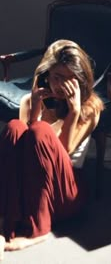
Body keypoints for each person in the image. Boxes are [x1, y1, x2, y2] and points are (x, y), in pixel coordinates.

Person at [0, 40, 104, 258]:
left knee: (40, 131)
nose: (60, 85)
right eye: (57, 77)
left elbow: (63, 151)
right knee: (15, 127)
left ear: (80, 80)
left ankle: (39, 231)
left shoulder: (90, 108)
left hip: (65, 191)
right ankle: (7, 219)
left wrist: (73, 113)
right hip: (32, 186)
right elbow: (24, 155)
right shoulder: (30, 100)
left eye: (69, 79)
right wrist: (35, 110)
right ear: (46, 75)